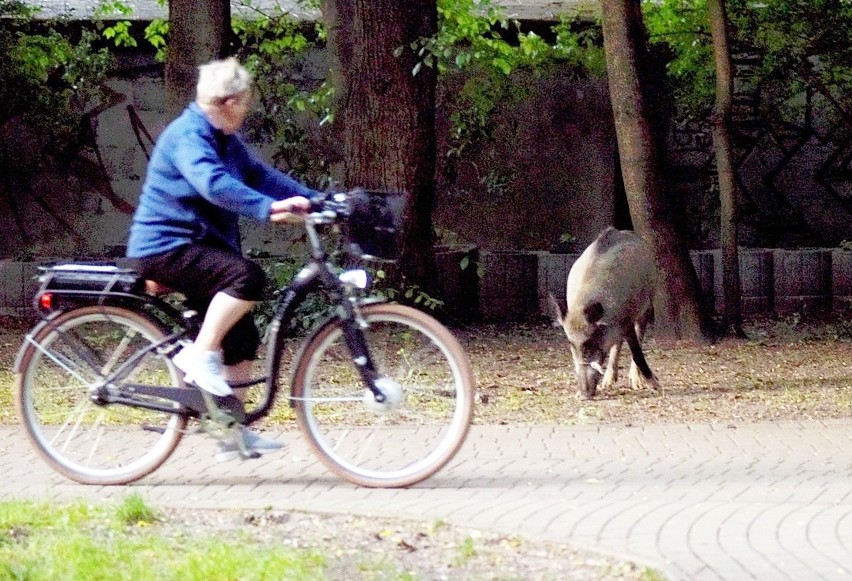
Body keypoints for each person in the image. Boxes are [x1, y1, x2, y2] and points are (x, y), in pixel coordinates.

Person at [127, 57, 322, 461]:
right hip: (165, 248)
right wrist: (268, 209)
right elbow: (213, 184)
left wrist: (315, 200)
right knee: (246, 278)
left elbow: (260, 176)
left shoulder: (223, 139)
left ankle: (232, 433)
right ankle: (199, 356)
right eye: (245, 103)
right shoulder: (189, 135)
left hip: (195, 246)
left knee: (242, 336)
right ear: (230, 102)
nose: (246, 110)